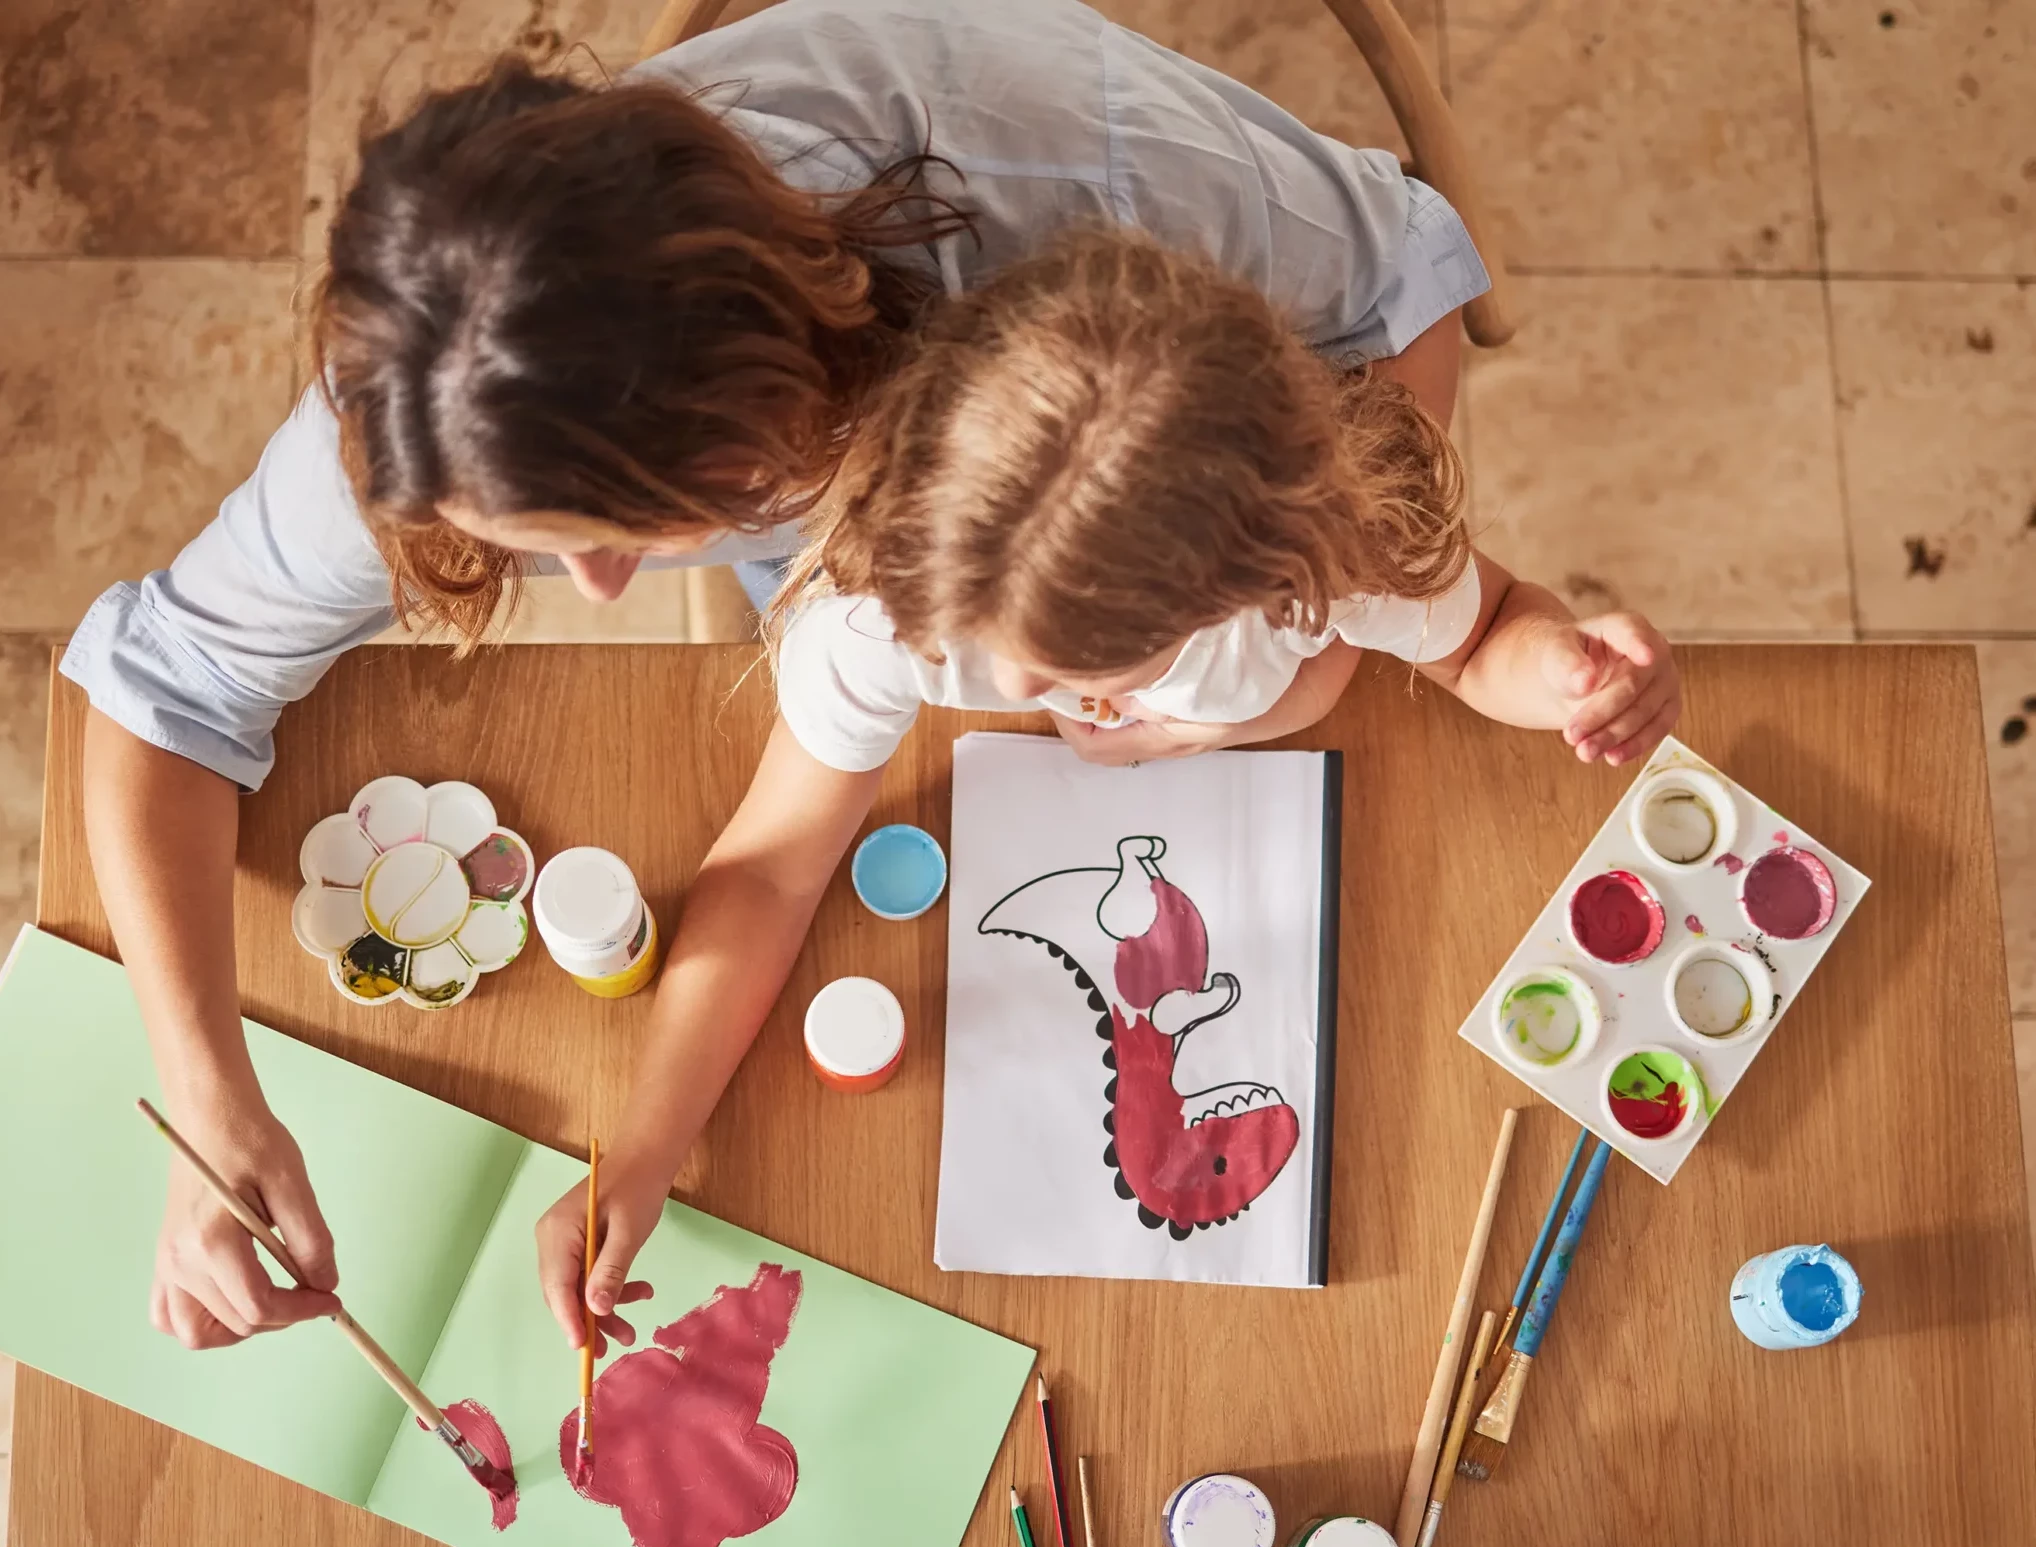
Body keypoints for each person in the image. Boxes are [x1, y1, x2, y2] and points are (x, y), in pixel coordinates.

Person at [73, 0, 1504, 1352]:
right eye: (545, 548)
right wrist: (210, 1101)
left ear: (765, 406)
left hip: (1194, 492)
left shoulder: (1090, 197)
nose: (609, 592)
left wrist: (1267, 647)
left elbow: (1404, 288)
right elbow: (167, 684)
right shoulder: (441, 387)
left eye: (631, 531)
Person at [529, 229, 1680, 1353]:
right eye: (983, 650)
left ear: (1259, 581)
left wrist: (1570, 675)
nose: (1026, 693)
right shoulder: (877, 606)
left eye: (1086, 673)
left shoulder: (1325, 547)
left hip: (1368, 289)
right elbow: (776, 864)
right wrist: (642, 1147)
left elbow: (1477, 637)